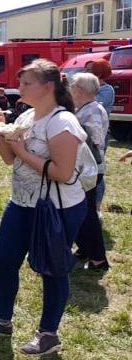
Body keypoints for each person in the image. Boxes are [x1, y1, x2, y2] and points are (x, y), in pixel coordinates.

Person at [0, 59, 87, 356]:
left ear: (48, 87)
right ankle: (2, 321)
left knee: (53, 268)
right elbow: (10, 160)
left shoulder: (62, 122)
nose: (19, 87)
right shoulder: (28, 116)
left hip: (56, 208)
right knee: (4, 258)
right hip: (22, 203)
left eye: (26, 83)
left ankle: (48, 334)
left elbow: (62, 172)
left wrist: (21, 150)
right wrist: (1, 135)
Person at [70, 73, 110, 271]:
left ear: (80, 90)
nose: (70, 88)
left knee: (86, 214)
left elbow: (95, 139)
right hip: (83, 168)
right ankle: (85, 249)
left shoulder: (93, 110)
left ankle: (98, 259)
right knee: (79, 210)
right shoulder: (85, 108)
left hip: (89, 169)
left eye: (73, 85)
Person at [87, 59, 114, 212]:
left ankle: (96, 208)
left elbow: (89, 103)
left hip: (100, 134)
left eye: (89, 69)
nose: (86, 71)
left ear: (98, 72)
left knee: (97, 169)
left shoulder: (106, 90)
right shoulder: (90, 89)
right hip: (87, 133)